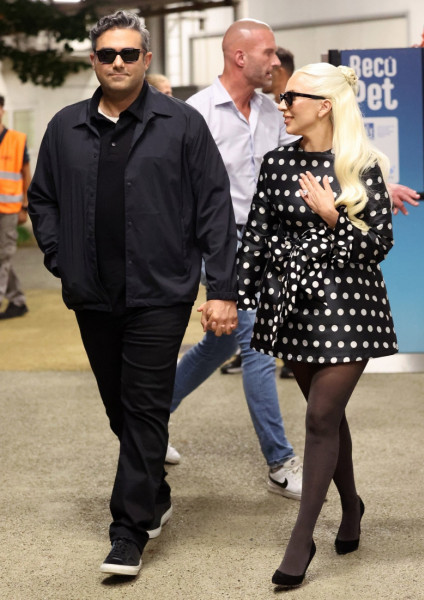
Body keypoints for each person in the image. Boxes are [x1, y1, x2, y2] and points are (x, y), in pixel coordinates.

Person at [28, 10, 238, 577]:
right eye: (106, 54)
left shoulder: (181, 124)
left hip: (160, 292)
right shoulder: (65, 126)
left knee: (144, 407)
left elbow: (215, 205)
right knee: (120, 406)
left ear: (147, 59)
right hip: (93, 293)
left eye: (128, 53)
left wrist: (222, 288)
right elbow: (41, 198)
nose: (117, 62)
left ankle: (128, 529)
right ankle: (156, 493)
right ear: (94, 61)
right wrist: (59, 255)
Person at [237, 62, 398, 588]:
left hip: (351, 307)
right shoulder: (277, 162)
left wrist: (333, 215)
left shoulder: (363, 164)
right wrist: (232, 298)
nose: (281, 106)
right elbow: (256, 238)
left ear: (324, 105)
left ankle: (300, 538)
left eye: (290, 99)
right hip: (295, 307)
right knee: (327, 419)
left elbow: (377, 247)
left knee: (320, 417)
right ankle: (351, 507)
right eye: (281, 99)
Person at [170, 19, 303, 501]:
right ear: (240, 57)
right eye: (268, 53)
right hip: (219, 242)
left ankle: (150, 416)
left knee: (219, 344)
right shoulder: (196, 112)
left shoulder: (272, 111)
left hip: (266, 239)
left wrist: (370, 185)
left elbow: (306, 163)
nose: (277, 62)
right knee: (256, 344)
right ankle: (280, 461)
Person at [0, 95, 31, 320]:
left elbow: (25, 174)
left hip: (9, 209)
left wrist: (25, 207)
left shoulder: (17, 140)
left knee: (2, 256)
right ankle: (18, 300)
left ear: (2, 110)